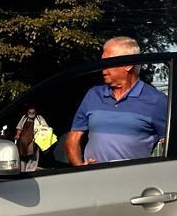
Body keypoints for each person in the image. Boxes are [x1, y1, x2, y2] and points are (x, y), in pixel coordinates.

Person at [65, 36, 167, 165]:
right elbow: (73, 139)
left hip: (134, 177)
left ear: (128, 65)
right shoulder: (93, 95)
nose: (103, 68)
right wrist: (80, 167)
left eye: (107, 62)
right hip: (92, 176)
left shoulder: (156, 100)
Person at [13, 104, 52, 172]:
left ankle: (30, 171)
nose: (31, 114)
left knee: (33, 156)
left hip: (34, 140)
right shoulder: (24, 117)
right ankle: (22, 171)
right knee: (23, 155)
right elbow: (19, 127)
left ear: (35, 112)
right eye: (30, 113)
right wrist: (17, 135)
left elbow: (46, 127)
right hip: (23, 140)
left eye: (33, 113)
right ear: (27, 112)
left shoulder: (39, 118)